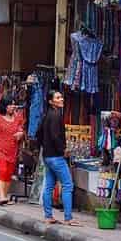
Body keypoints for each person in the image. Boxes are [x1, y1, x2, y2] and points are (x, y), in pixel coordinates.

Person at [39, 89, 78, 226]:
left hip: (47, 156)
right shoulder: (56, 115)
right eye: (58, 97)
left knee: (49, 186)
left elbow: (39, 134)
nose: (61, 99)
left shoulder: (47, 115)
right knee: (68, 185)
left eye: (61, 97)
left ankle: (48, 216)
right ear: (51, 101)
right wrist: (63, 150)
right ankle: (68, 218)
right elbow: (55, 136)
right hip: (56, 156)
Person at [0, 98, 25, 205]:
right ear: (4, 106)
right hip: (0, 149)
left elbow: (21, 130)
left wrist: (20, 134)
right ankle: (1, 196)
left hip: (12, 150)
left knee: (8, 174)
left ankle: (5, 196)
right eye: (10, 104)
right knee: (2, 171)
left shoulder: (18, 118)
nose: (13, 107)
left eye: (14, 105)